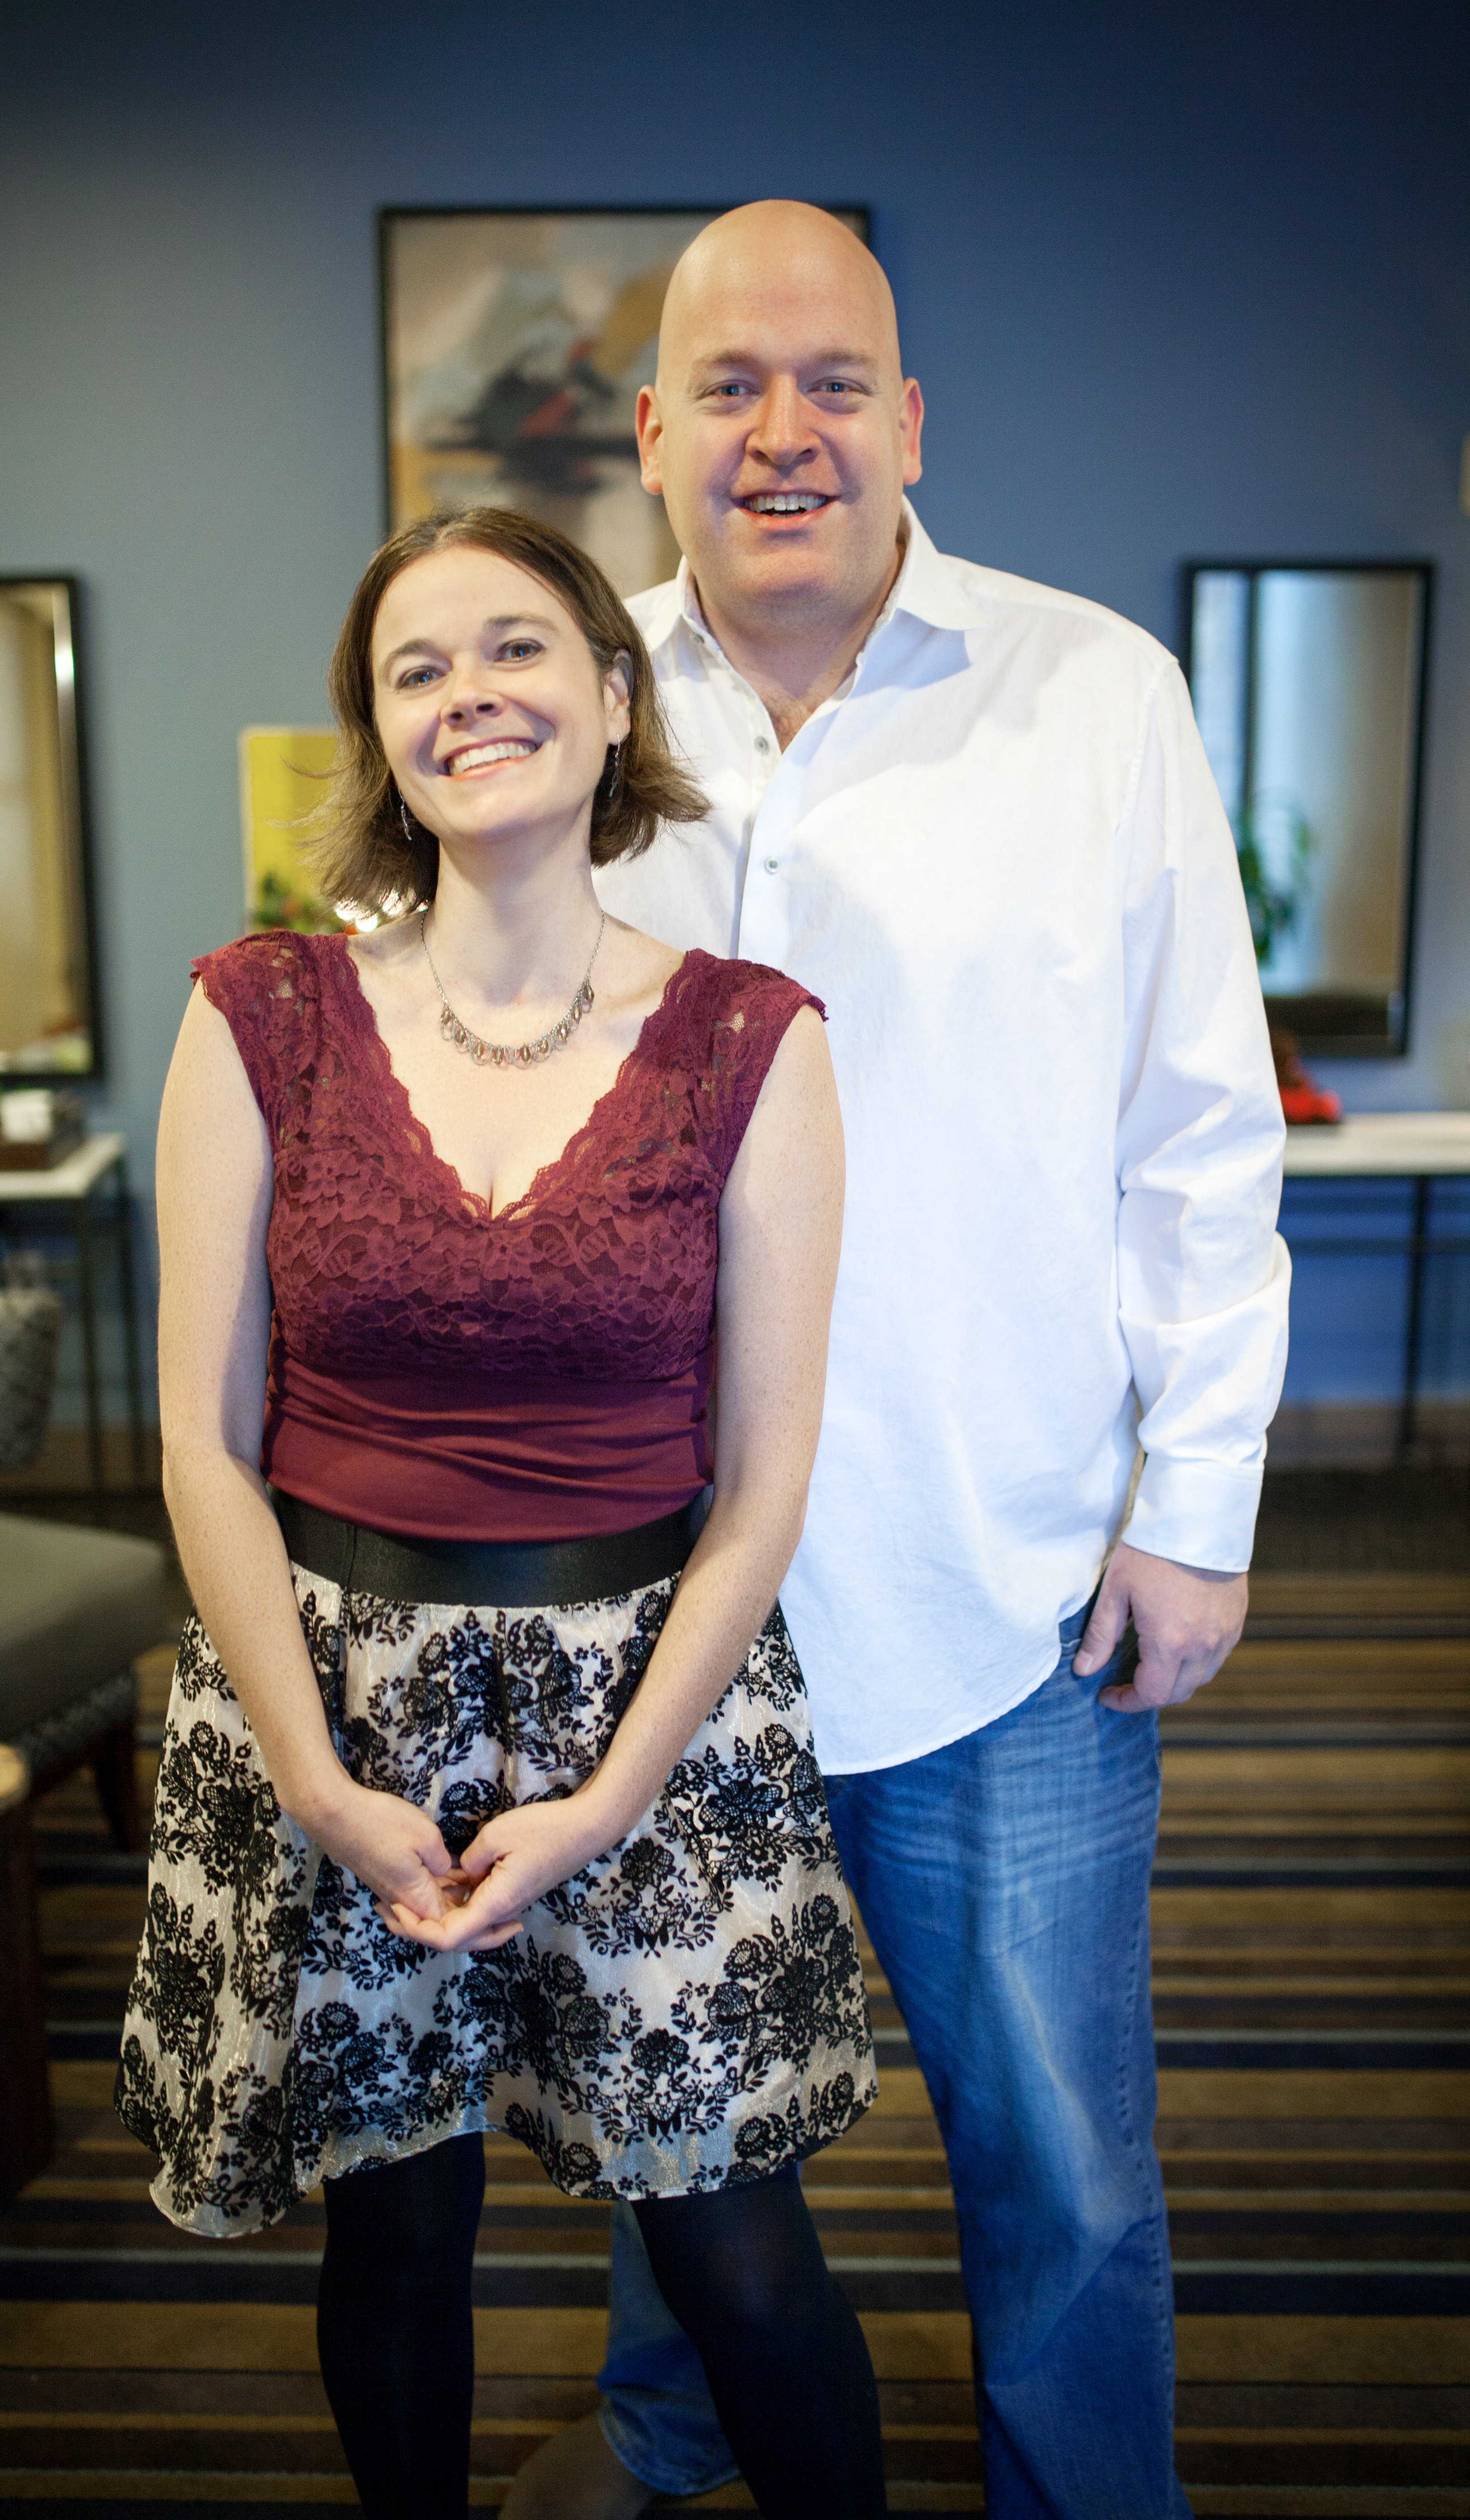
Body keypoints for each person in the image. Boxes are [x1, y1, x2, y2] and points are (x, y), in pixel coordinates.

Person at [503, 202, 1290, 2520]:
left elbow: (1202, 1133)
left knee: (1061, 2166)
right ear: (649, 434)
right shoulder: (559, 717)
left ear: (913, 420)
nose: (784, 430)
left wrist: (1204, 1505)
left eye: (833, 381)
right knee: (681, 2132)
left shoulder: (1097, 700)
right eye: (729, 386)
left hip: (1005, 1614)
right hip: (648, 1634)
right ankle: (672, 2465)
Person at [115, 503, 890, 2520]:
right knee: (399, 2229)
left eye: (517, 648)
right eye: (416, 669)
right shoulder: (259, 1013)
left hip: (646, 1714)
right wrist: (318, 1783)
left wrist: (615, 1794)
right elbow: (202, 1443)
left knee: (736, 2247)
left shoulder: (751, 1042)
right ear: (379, 741)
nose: (472, 696)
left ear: (613, 694)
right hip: (328, 1703)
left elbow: (767, 1482)